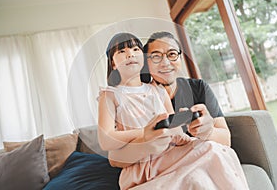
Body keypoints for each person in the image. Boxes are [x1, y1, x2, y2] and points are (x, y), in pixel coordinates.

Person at [98, 32, 249, 190]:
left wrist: (185, 128)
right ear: (113, 64)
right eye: (121, 51)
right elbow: (109, 147)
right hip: (145, 164)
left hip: (170, 153)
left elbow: (175, 128)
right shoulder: (110, 95)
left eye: (135, 50)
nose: (130, 54)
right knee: (211, 150)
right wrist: (145, 133)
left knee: (214, 157)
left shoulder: (159, 90)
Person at [143, 31, 230, 145]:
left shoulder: (198, 88)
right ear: (146, 63)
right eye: (156, 56)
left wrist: (209, 132)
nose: (165, 63)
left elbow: (226, 141)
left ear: (181, 58)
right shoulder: (140, 96)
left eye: (172, 54)